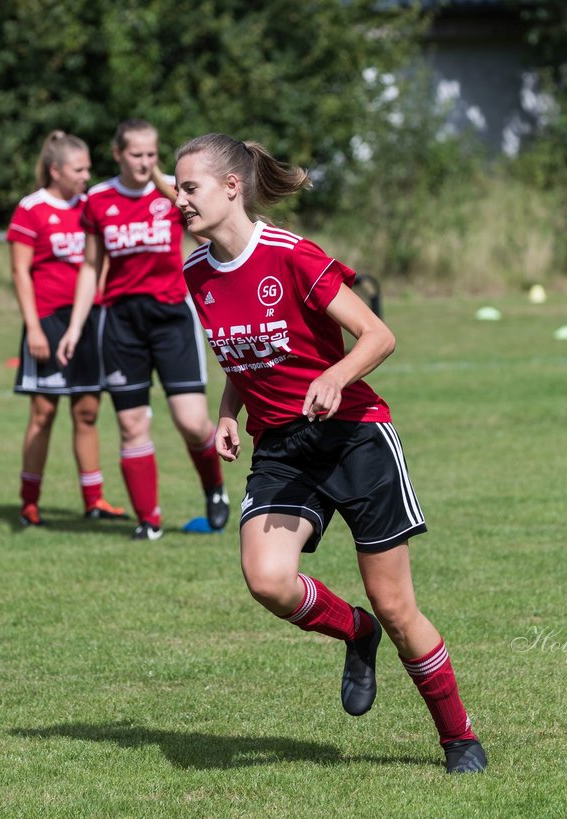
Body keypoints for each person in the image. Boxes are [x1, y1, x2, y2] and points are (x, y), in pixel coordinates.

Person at [173, 132, 486, 774]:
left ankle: (459, 739)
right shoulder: (196, 273)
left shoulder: (291, 255)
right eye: (178, 188)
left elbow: (379, 335)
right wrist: (229, 413)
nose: (178, 200)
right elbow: (247, 352)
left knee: (398, 606)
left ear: (232, 188)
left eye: (189, 187)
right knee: (267, 580)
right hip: (283, 447)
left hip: (354, 436)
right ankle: (354, 631)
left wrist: (336, 375)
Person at [74, 119, 228, 541]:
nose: (144, 163)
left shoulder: (174, 193)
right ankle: (150, 520)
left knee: (193, 422)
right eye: (136, 155)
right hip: (121, 321)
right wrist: (75, 326)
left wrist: (172, 190)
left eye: (151, 155)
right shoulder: (98, 199)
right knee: (131, 423)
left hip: (171, 317)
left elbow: (211, 238)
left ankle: (214, 489)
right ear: (117, 154)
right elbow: (91, 267)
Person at [7, 130, 126, 527]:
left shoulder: (91, 206)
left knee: (88, 411)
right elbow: (20, 272)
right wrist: (34, 328)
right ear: (55, 170)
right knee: (43, 411)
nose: (86, 176)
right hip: (47, 320)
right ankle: (29, 501)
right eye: (79, 169)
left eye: (89, 168)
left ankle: (94, 500)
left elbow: (103, 258)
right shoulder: (31, 209)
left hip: (87, 320)